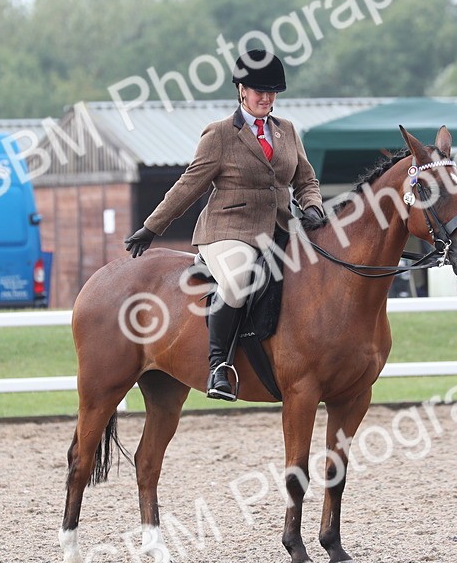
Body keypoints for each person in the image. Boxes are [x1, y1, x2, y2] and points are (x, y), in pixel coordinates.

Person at [123, 50, 326, 401]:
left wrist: (312, 206)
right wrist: (152, 227)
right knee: (238, 280)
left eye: (272, 92)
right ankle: (219, 366)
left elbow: (306, 180)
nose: (267, 98)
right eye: (259, 91)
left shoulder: (287, 131)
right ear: (241, 90)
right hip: (228, 230)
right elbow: (189, 185)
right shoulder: (220, 134)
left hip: (280, 230)